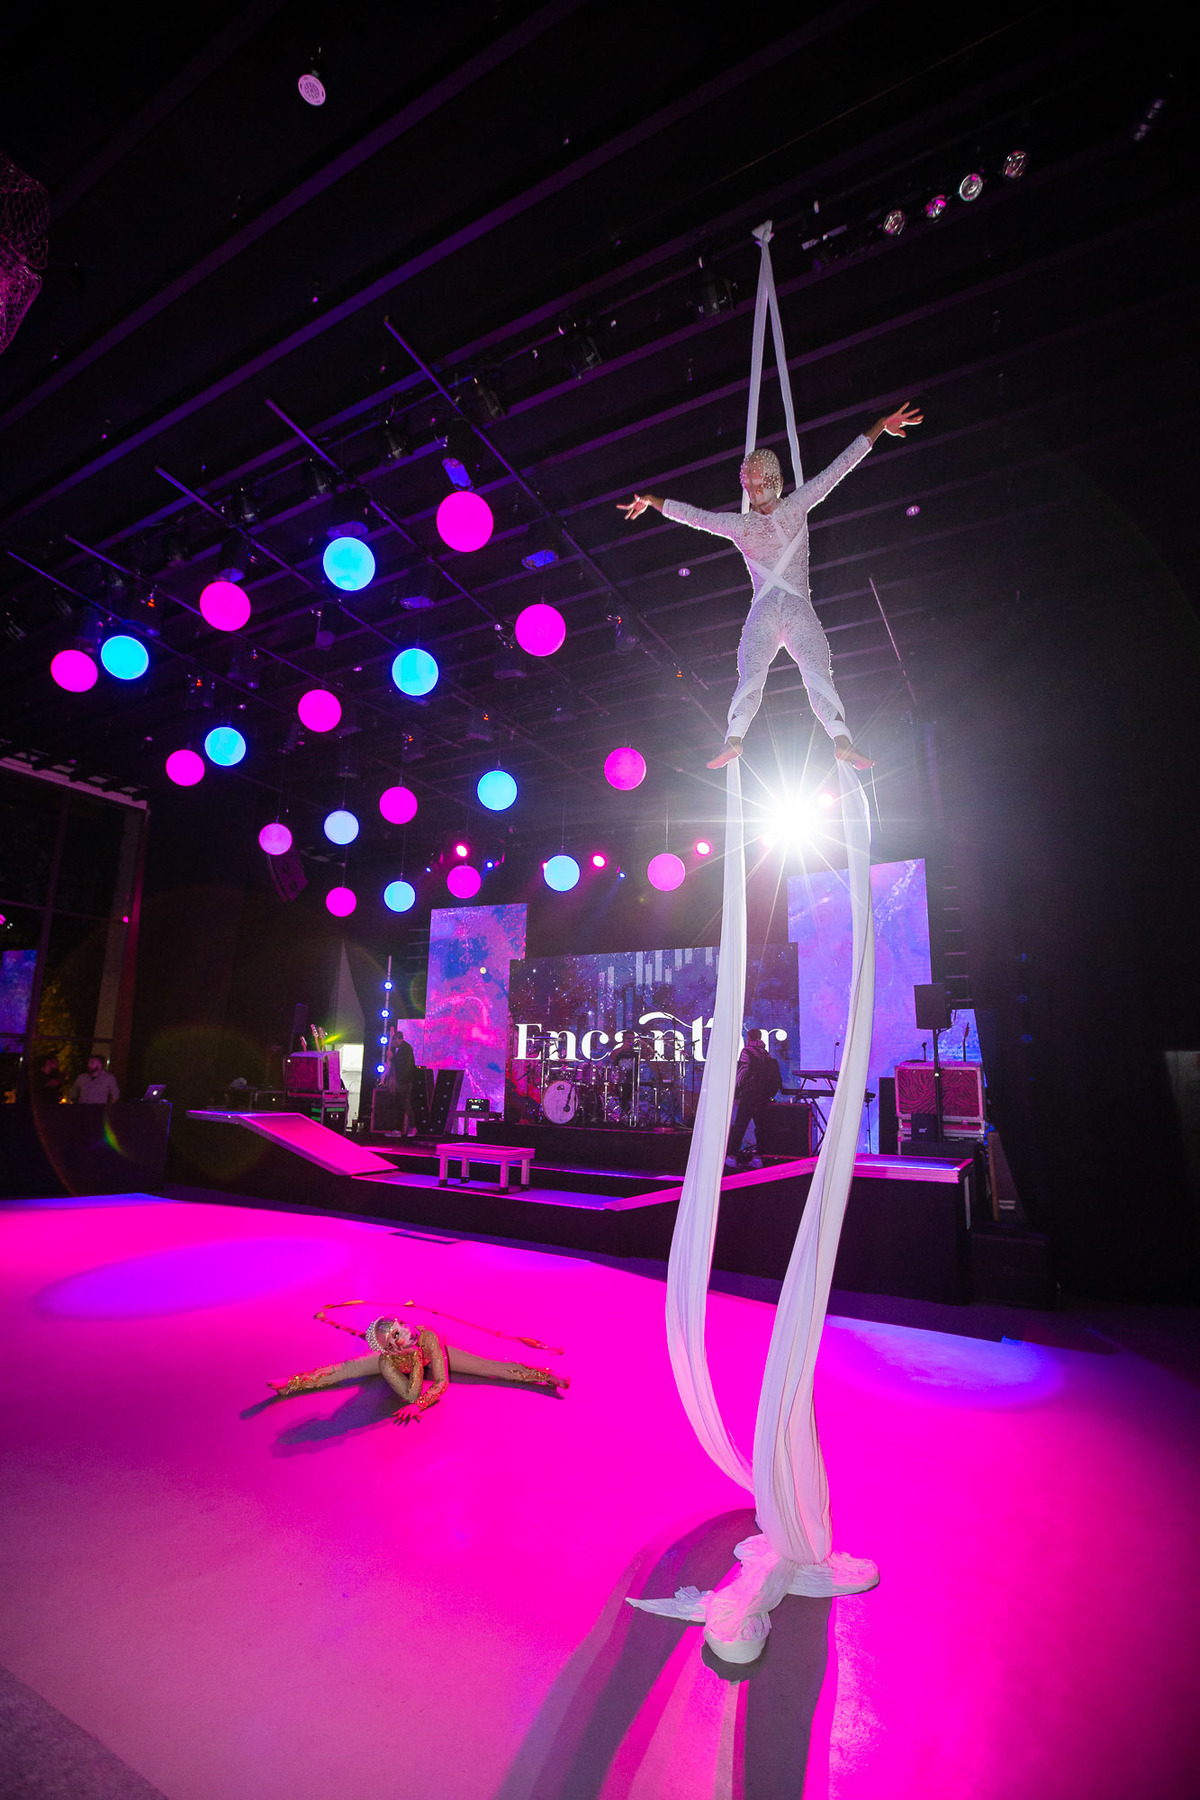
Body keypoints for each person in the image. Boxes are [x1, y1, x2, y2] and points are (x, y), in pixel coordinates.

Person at [618, 403, 923, 768]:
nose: (754, 491)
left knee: (782, 674)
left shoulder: (758, 519)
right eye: (750, 486)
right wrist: (879, 427)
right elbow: (697, 517)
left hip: (774, 608)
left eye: (758, 484)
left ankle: (768, 738)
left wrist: (879, 426)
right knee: (794, 673)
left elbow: (838, 468)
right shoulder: (779, 512)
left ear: (774, 481)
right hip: (787, 608)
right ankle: (795, 738)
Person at [269, 1308, 569, 1420]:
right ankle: (291, 1384)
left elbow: (441, 1381)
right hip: (402, 1365)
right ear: (389, 1348)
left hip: (430, 1356)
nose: (404, 1331)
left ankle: (545, 1376)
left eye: (400, 1326)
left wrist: (420, 1404)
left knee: (488, 1366)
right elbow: (405, 1389)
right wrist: (405, 1365)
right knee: (344, 1369)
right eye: (396, 1336)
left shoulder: (427, 1337)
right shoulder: (387, 1360)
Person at [725, 1030, 783, 1169]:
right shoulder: (766, 1054)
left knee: (740, 1125)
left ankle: (732, 1156)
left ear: (749, 1037)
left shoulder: (747, 1051)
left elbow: (742, 1074)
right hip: (763, 1096)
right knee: (761, 1127)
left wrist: (736, 1093)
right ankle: (758, 1158)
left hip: (749, 1094)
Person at [387, 1026, 418, 1137]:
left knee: (406, 1104)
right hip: (401, 1081)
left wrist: (398, 1081)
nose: (392, 1044)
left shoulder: (406, 1049)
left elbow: (405, 1066)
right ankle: (397, 1129)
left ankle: (413, 1127)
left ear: (398, 1039)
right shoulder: (401, 1049)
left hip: (404, 1081)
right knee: (399, 1105)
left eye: (393, 1041)